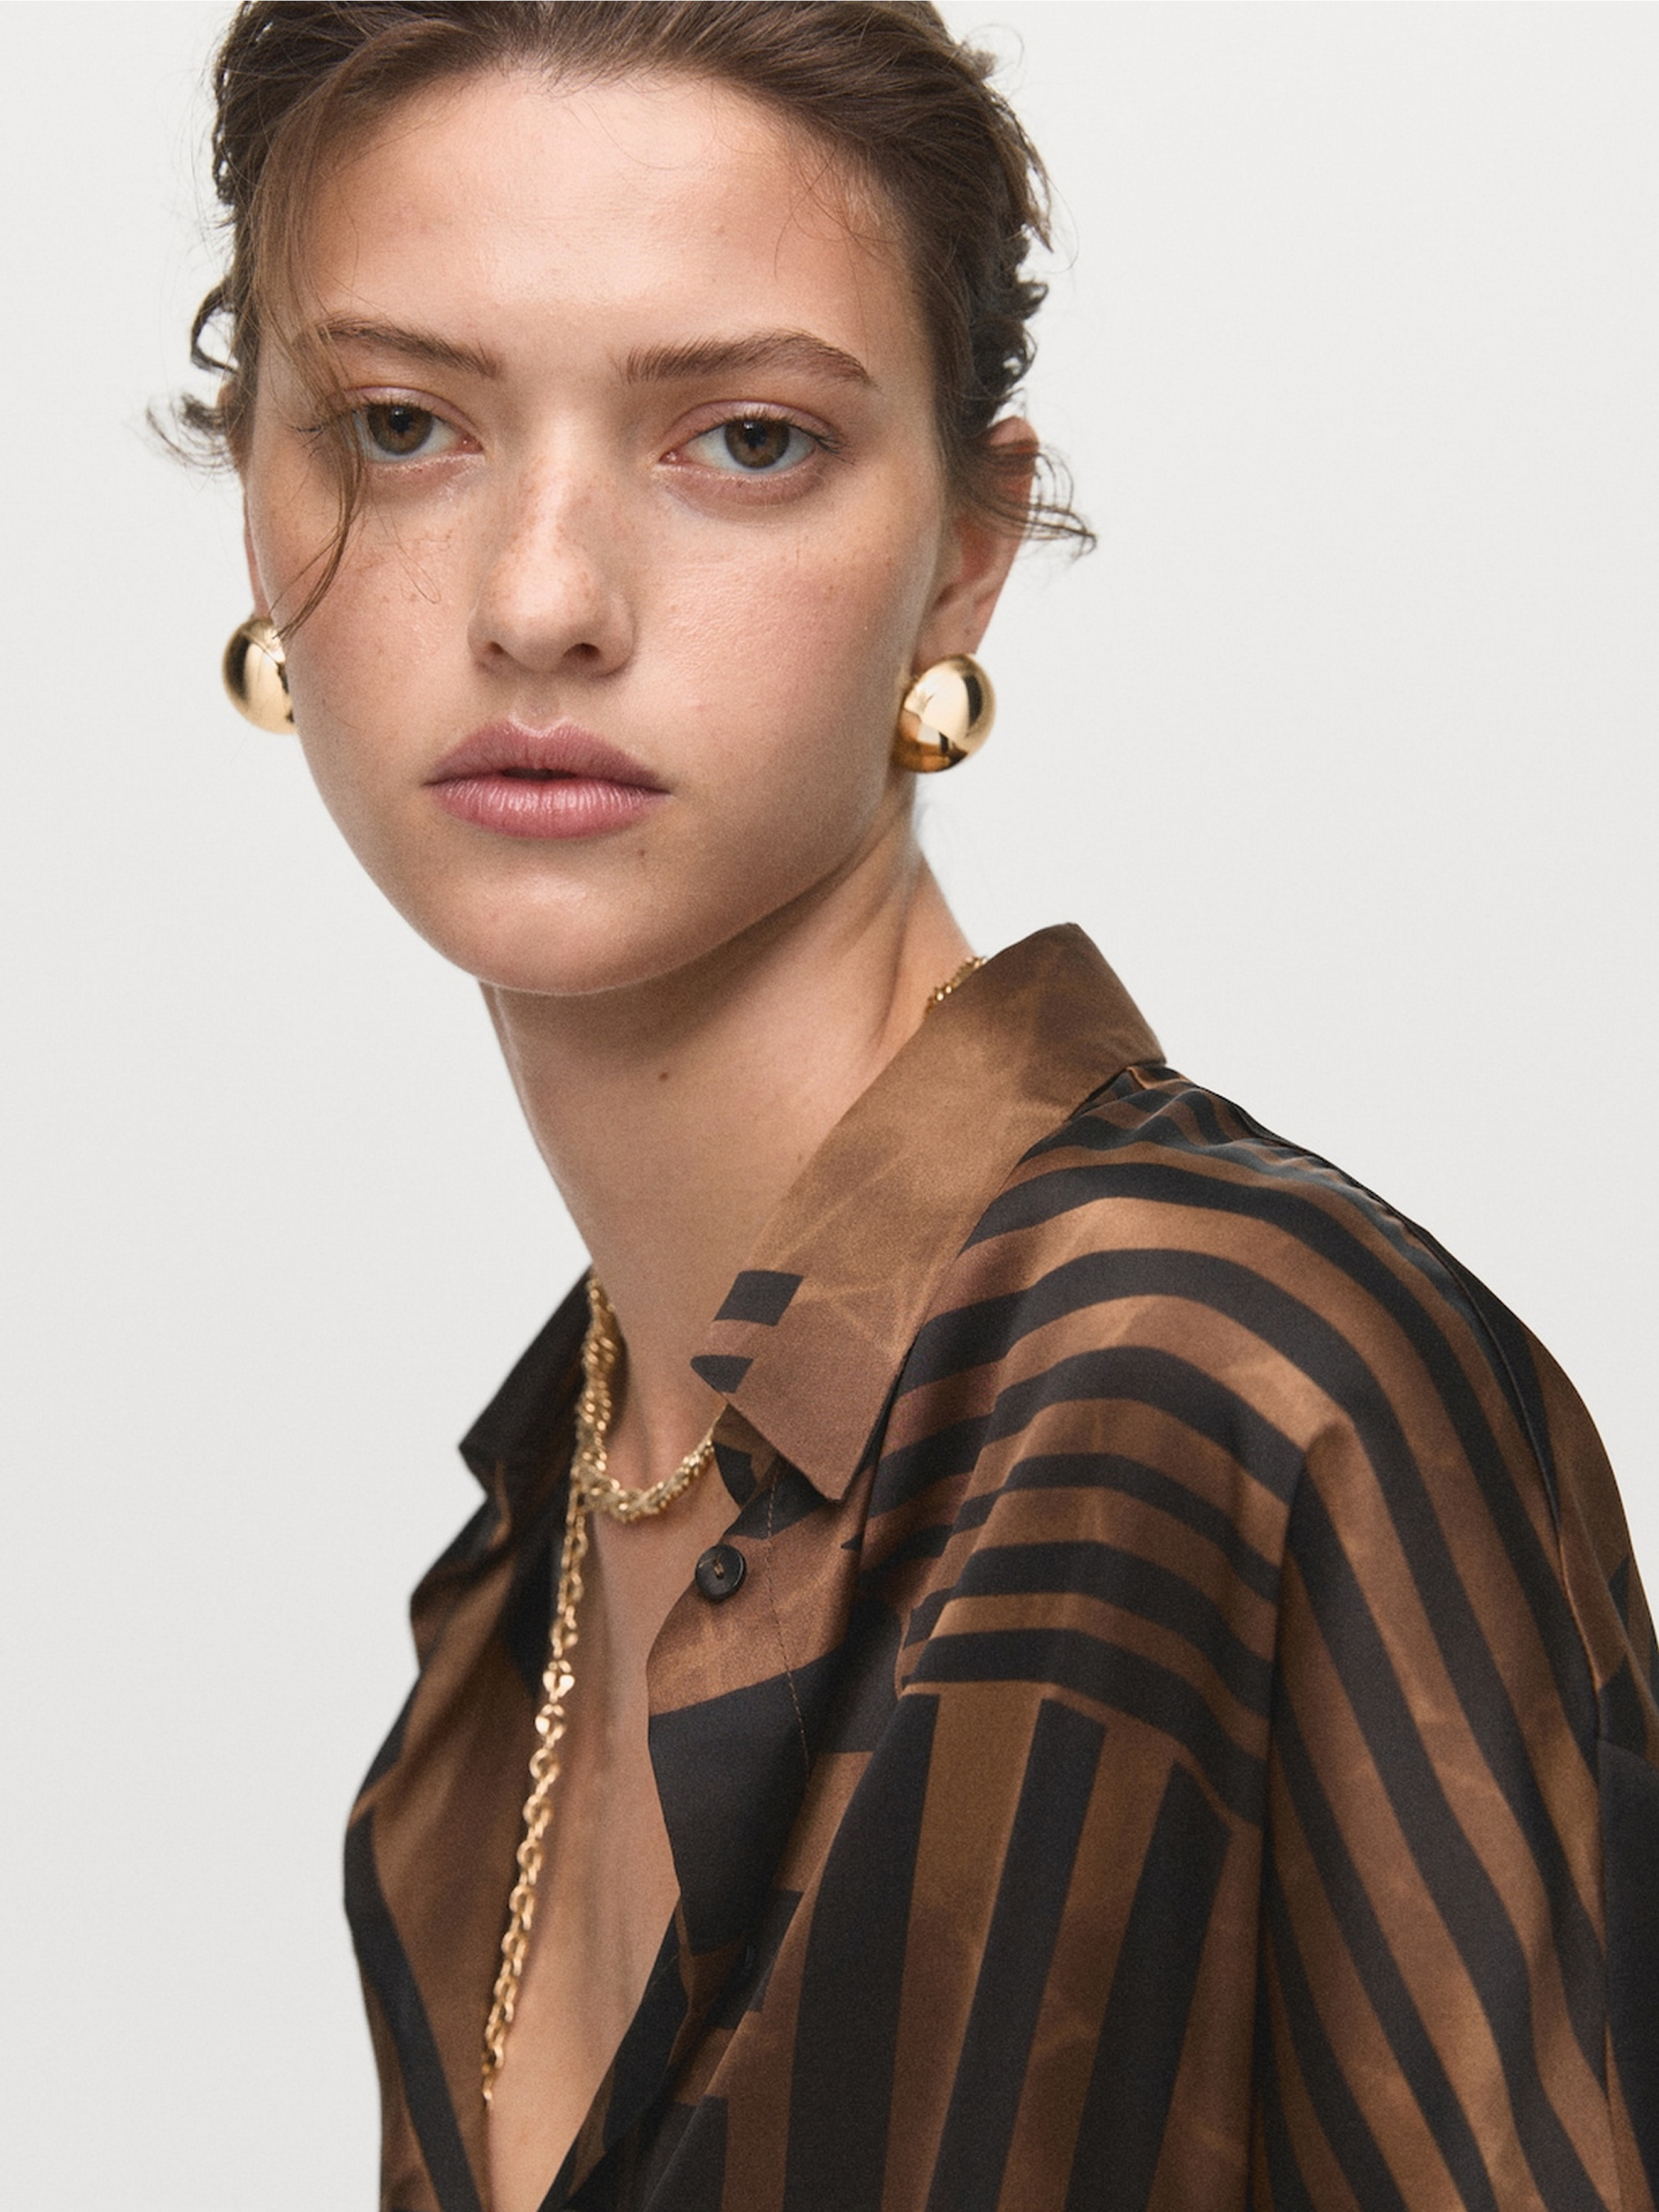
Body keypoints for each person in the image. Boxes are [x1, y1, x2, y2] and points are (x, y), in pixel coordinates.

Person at [190, 4, 1658, 2208]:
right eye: (406, 426)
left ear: (967, 548)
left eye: (745, 440)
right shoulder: (530, 1572)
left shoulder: (1236, 1385)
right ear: (255, 497)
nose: (541, 599)